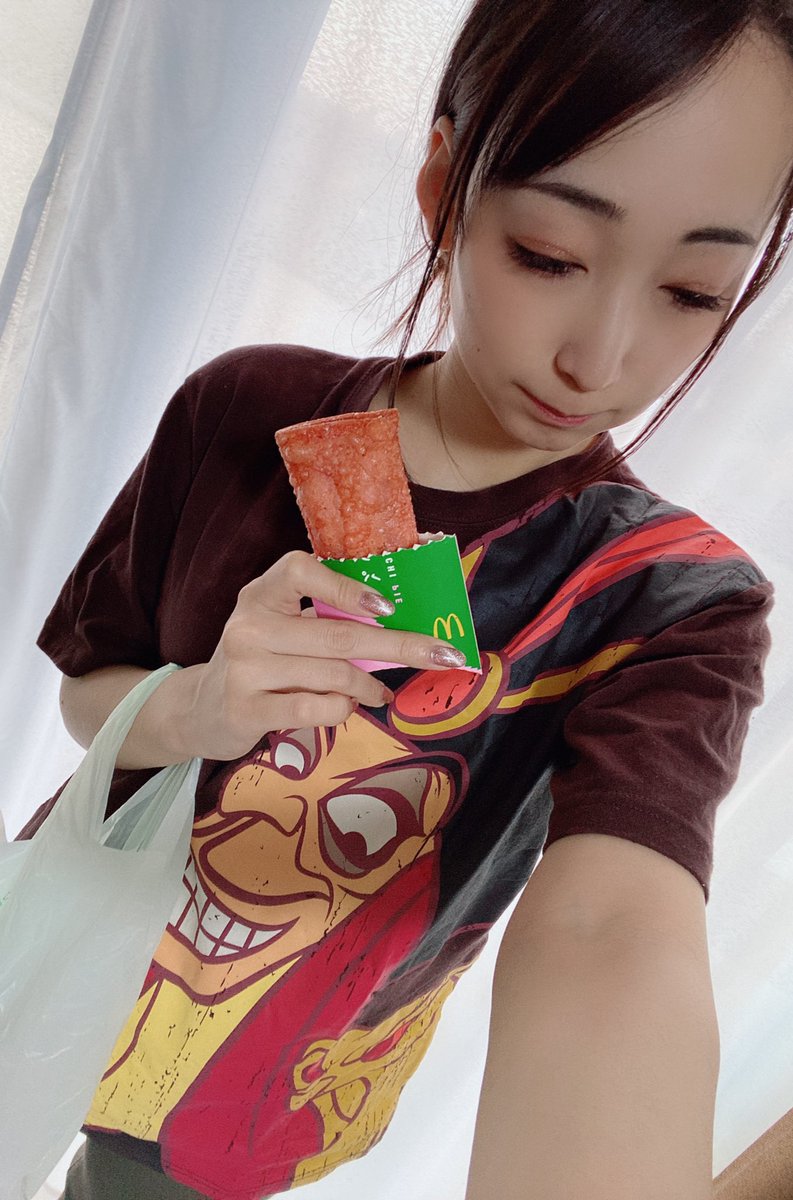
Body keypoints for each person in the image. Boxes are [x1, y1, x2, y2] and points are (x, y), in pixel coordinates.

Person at [18, 1, 793, 1197]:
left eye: (693, 291)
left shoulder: (669, 601)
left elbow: (613, 925)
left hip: (246, 1097)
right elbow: (89, 693)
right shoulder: (247, 410)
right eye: (549, 255)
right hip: (55, 956)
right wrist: (194, 710)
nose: (600, 360)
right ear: (445, 184)